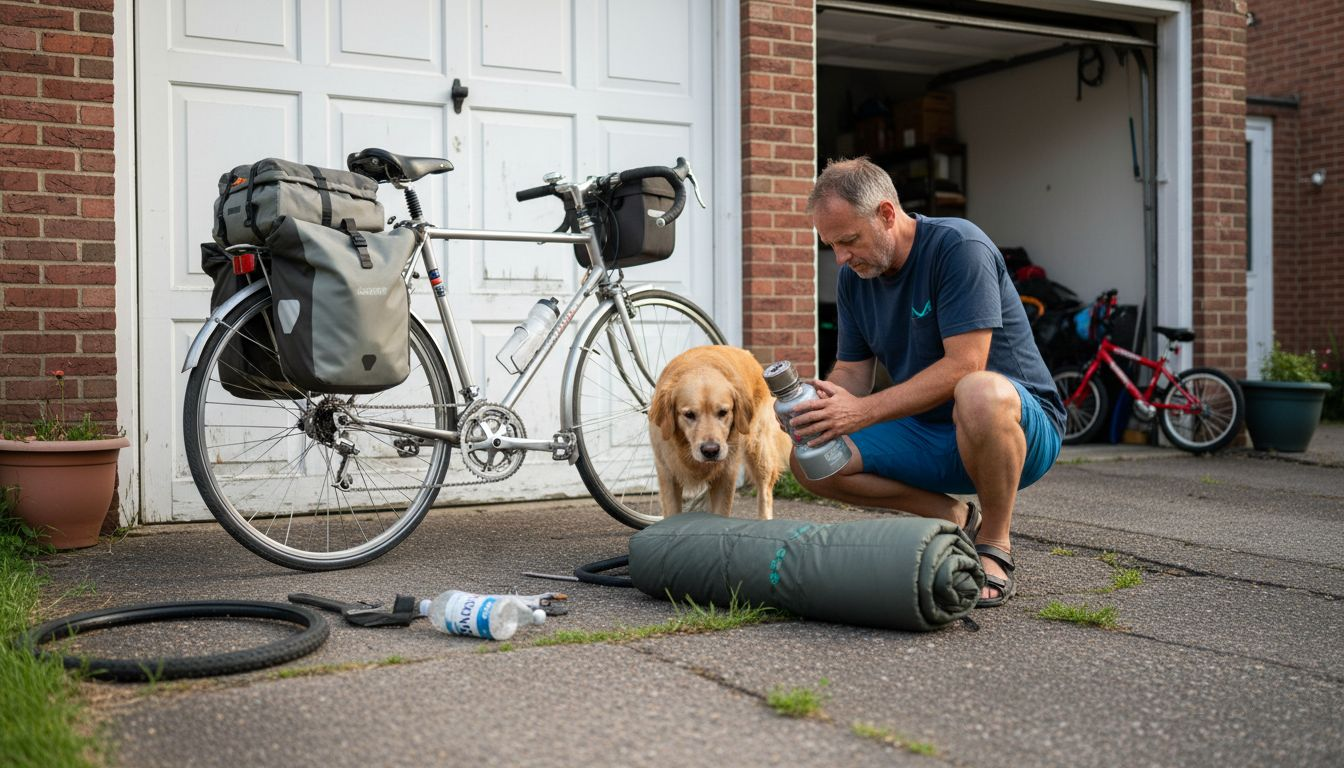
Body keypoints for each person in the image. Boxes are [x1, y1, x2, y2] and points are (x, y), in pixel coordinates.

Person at [787, 157, 1065, 607]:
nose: (841, 258)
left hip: (1017, 428)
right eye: (831, 245)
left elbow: (966, 366)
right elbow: (853, 373)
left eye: (848, 240)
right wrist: (815, 407)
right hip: (930, 430)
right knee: (813, 460)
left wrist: (862, 411)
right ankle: (958, 518)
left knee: (977, 391)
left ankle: (995, 544)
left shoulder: (958, 247)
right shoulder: (855, 278)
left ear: (886, 214)